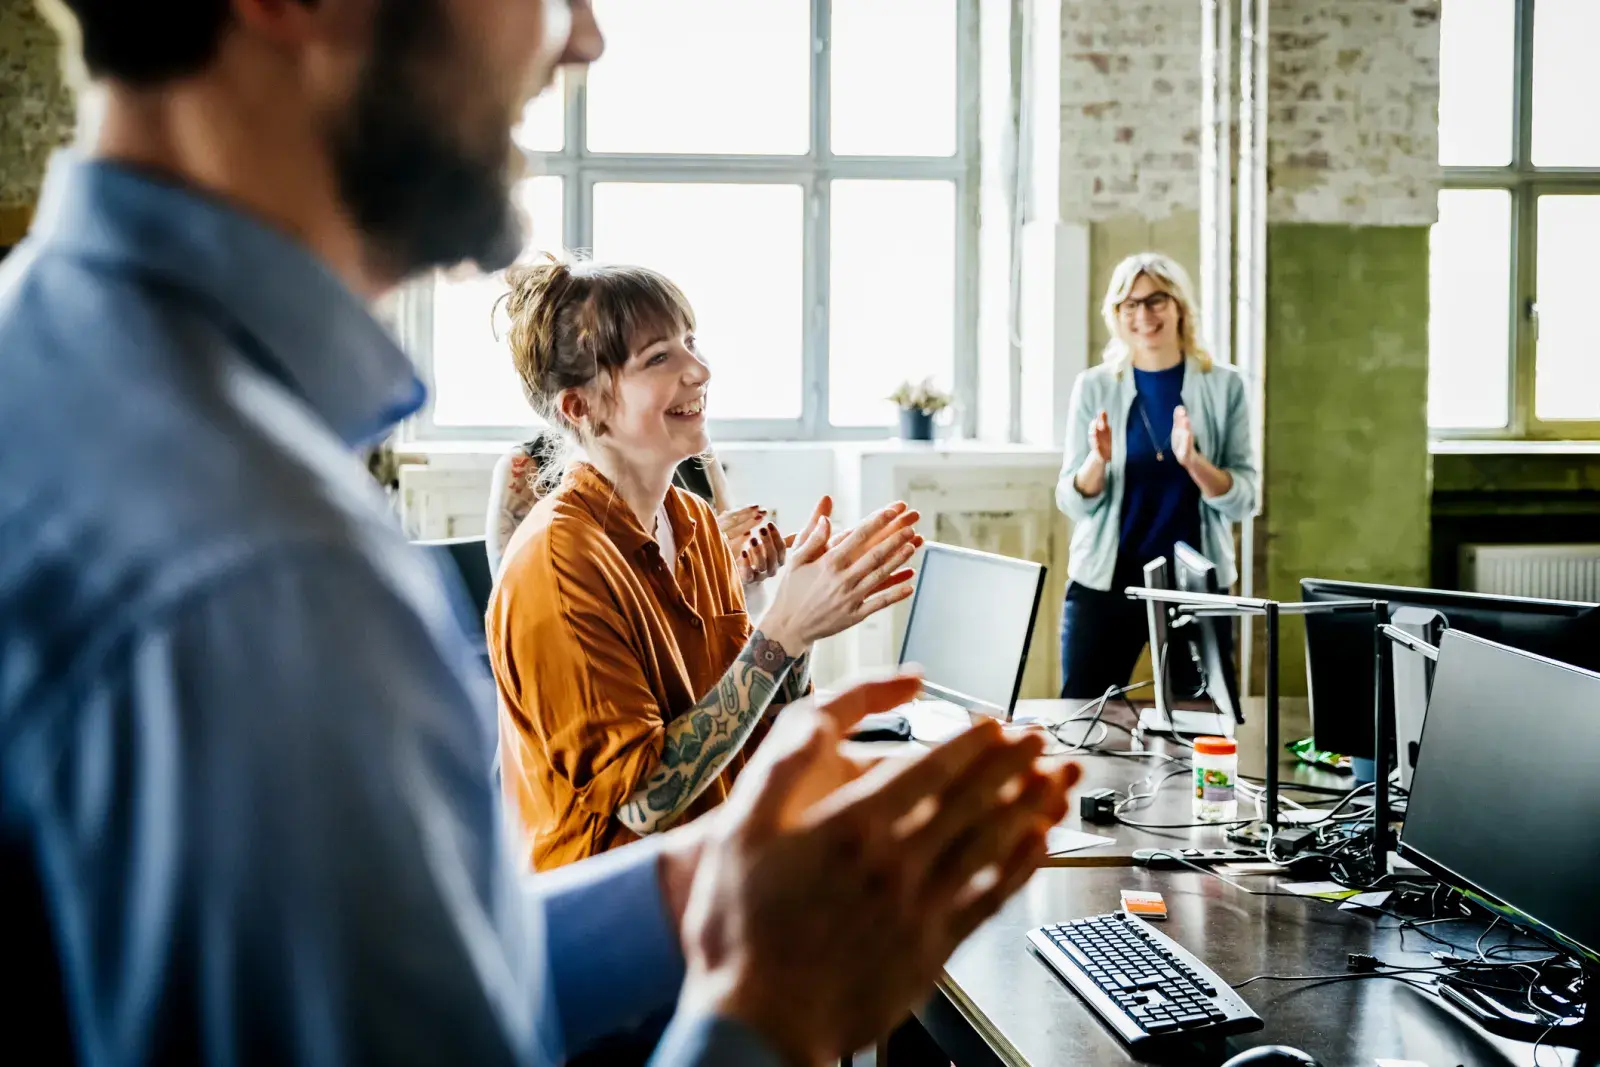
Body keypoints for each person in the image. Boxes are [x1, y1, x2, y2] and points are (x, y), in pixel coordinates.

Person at [0, 2, 1080, 1065]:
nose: (583, 36)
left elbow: (440, 978)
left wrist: (698, 878)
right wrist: (773, 1000)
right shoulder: (265, 565)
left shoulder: (77, 385)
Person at [488, 260, 921, 870]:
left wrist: (802, 623)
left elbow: (764, 725)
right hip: (612, 925)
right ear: (581, 408)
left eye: (690, 343)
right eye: (658, 358)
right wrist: (782, 632)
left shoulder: (693, 522)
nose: (700, 371)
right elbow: (645, 801)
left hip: (713, 883)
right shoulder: (558, 564)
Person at [1054, 252, 1259, 699]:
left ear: (1180, 306)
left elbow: (1246, 498)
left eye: (1155, 301)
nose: (1143, 315)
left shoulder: (1226, 386)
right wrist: (1098, 460)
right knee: (1082, 716)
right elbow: (1071, 500)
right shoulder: (1094, 386)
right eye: (1130, 304)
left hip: (1196, 586)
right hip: (1106, 580)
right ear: (1116, 315)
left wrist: (1195, 463)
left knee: (1204, 723)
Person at [486, 435, 783, 612]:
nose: (697, 373)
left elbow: (740, 604)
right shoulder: (525, 468)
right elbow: (526, 610)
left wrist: (744, 578)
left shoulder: (695, 451)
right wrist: (697, 564)